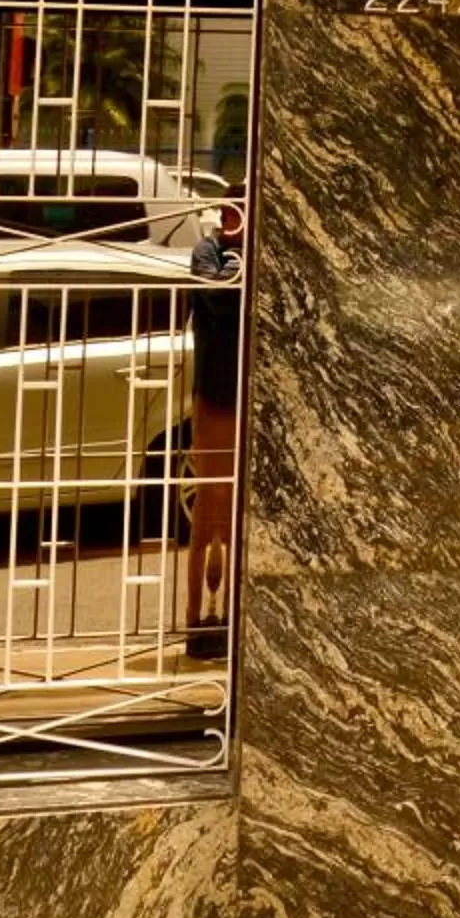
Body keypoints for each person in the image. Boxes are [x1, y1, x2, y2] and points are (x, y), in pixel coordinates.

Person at [183, 201, 246, 661]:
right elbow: (220, 299)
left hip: (249, 391)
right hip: (218, 393)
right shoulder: (206, 253)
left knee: (240, 512)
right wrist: (241, 265)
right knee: (211, 509)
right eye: (235, 214)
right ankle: (200, 620)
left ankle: (233, 616)